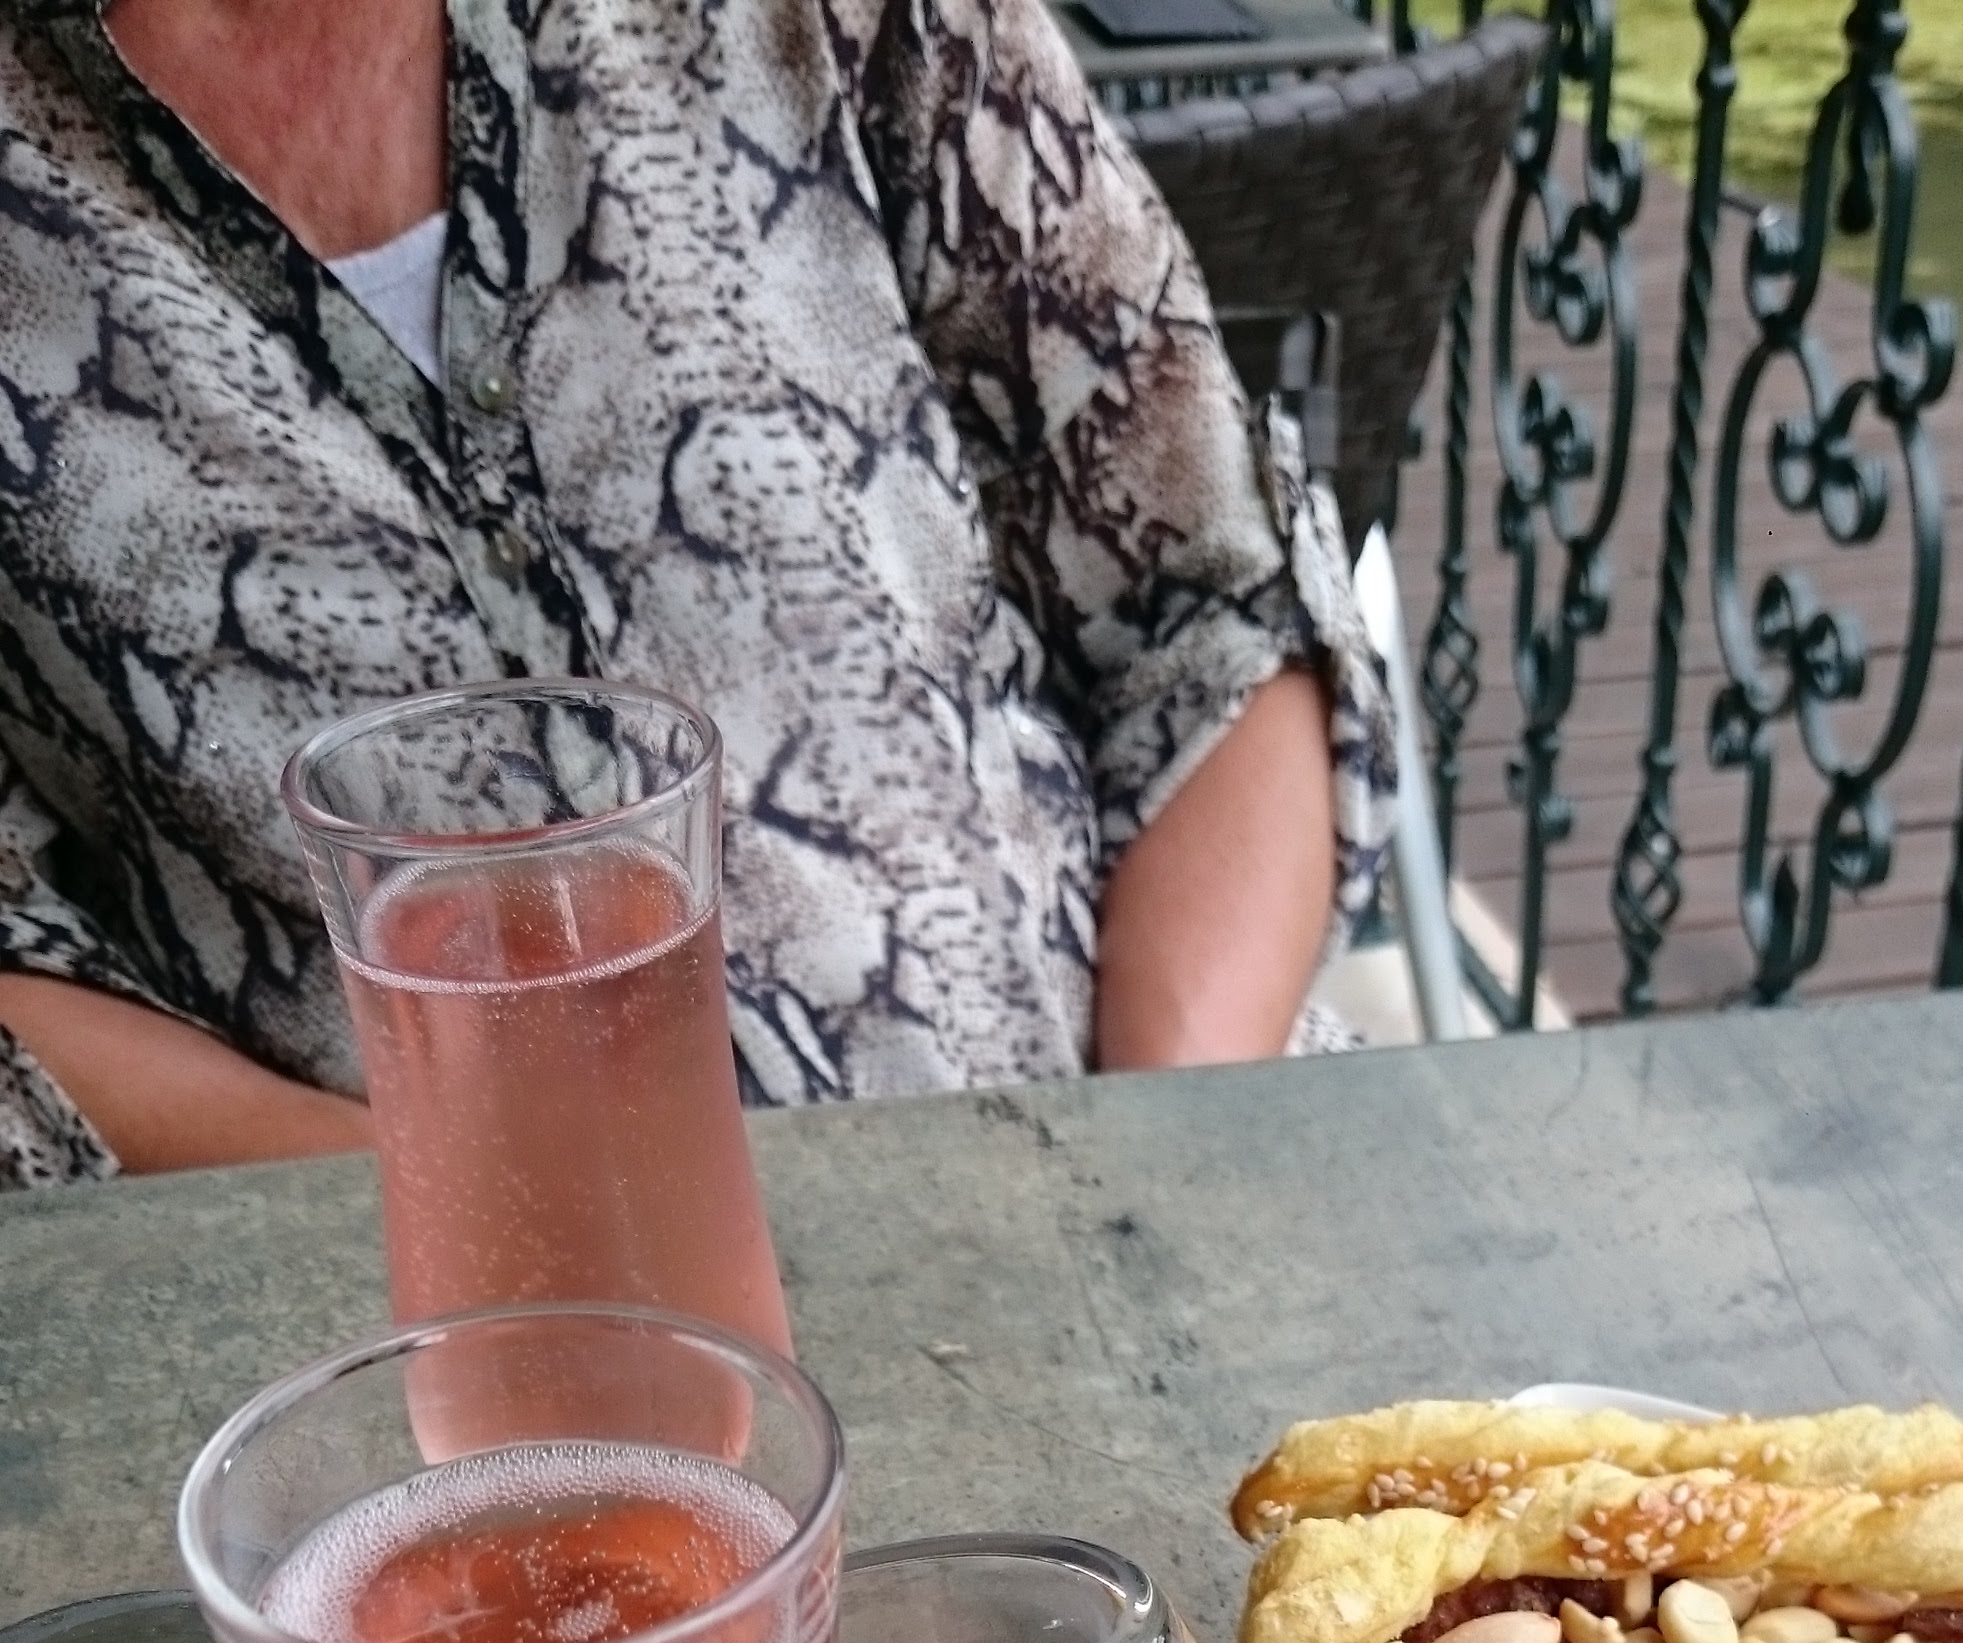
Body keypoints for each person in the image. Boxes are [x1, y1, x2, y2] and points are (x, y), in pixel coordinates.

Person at [0, 0, 1393, 1184]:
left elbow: (1212, 600)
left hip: (1109, 1157)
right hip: (431, 1353)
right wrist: (478, 1241)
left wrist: (1144, 1183)